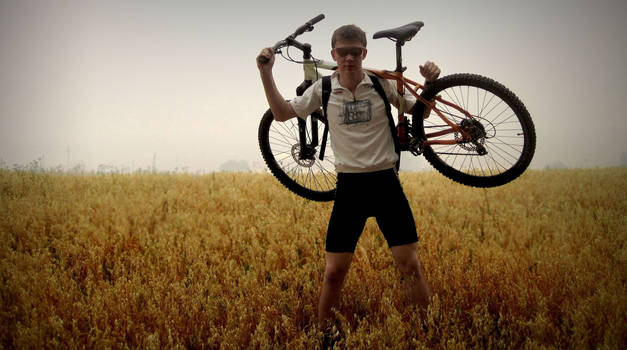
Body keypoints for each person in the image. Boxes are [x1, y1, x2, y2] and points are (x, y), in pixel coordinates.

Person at [256, 24, 440, 330]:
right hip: (349, 189)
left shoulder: (381, 84)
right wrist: (266, 73)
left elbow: (422, 111)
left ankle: (429, 332)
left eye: (356, 52)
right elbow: (281, 113)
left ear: (364, 53)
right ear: (334, 55)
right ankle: (324, 336)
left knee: (411, 267)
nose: (350, 58)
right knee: (333, 274)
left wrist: (430, 83)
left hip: (385, 184)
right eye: (343, 52)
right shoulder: (323, 89)